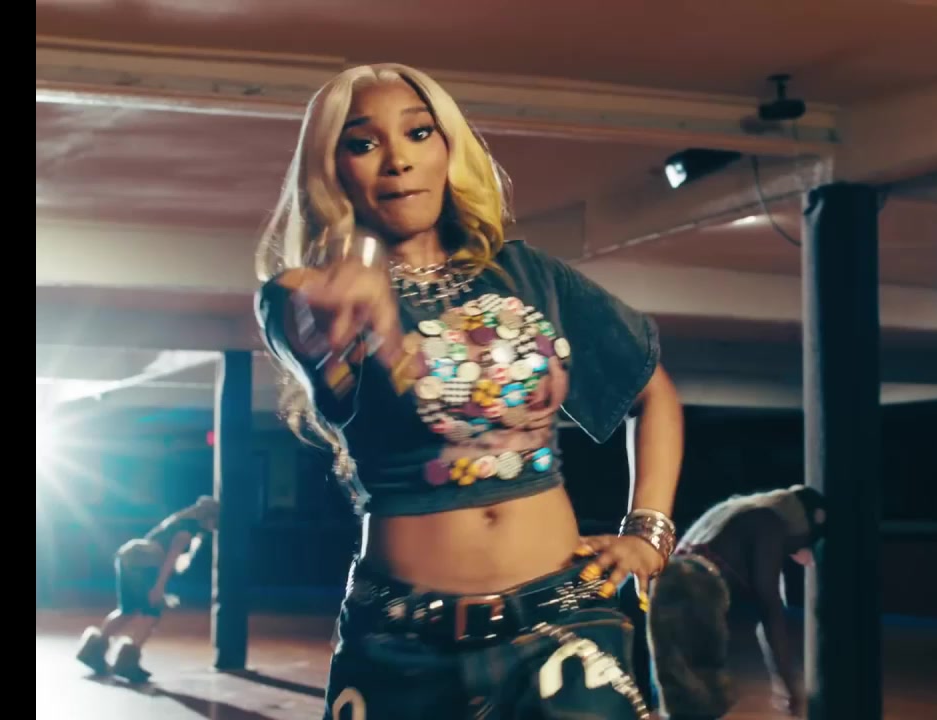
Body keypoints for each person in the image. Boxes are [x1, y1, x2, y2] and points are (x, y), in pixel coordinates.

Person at [253, 63, 685, 719]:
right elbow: (315, 340)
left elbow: (653, 394)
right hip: (401, 645)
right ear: (331, 169)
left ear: (449, 148)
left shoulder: (527, 275)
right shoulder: (304, 295)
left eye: (419, 132)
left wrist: (648, 534)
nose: (398, 160)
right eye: (363, 143)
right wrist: (348, 306)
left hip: (563, 621)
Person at [646, 485, 825, 718]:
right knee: (702, 694)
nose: (797, 550)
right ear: (801, 525)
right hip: (698, 593)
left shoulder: (731, 515)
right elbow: (769, 606)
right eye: (804, 542)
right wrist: (789, 684)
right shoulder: (769, 522)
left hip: (666, 588)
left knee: (681, 694)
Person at [74, 496, 219, 682]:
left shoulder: (178, 521)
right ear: (209, 517)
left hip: (128, 555)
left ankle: (93, 651)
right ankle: (127, 663)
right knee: (152, 612)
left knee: (127, 609)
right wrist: (159, 588)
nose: (215, 528)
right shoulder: (186, 532)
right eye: (216, 522)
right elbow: (169, 561)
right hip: (144, 562)